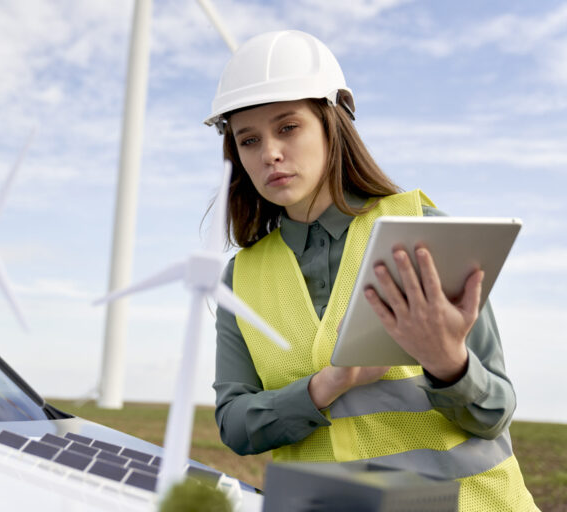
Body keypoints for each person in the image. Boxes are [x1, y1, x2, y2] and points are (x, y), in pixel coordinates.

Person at [205, 30, 537, 511]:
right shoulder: (240, 277)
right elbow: (234, 425)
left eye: (288, 128)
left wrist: (450, 365)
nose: (269, 153)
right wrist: (323, 388)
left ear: (332, 124)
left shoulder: (424, 233)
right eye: (248, 140)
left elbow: (495, 412)